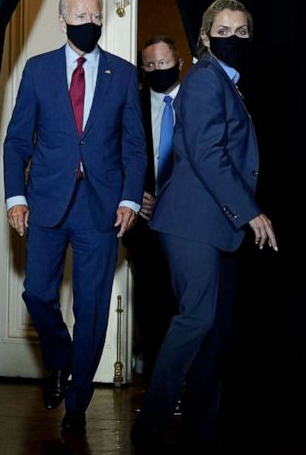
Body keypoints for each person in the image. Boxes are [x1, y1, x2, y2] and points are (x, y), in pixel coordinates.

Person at [131, 0, 277, 448]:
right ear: (205, 37)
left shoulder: (226, 84)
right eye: (223, 31)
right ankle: (152, 418)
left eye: (242, 32)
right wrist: (251, 211)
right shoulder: (204, 81)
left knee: (217, 330)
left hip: (218, 226)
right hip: (192, 221)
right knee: (197, 320)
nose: (233, 39)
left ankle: (202, 427)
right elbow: (207, 153)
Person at [3, 0, 147, 434]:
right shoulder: (38, 69)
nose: (89, 20)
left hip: (100, 207)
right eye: (80, 14)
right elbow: (16, 141)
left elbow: (135, 148)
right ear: (62, 21)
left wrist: (128, 199)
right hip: (46, 202)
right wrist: (15, 197)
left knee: (92, 308)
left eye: (95, 14)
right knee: (37, 294)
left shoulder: (122, 74)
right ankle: (61, 359)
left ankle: (78, 405)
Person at [122, 35, 185, 380]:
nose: (158, 70)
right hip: (145, 224)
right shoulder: (134, 103)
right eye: (151, 65)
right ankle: (158, 380)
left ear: (179, 64)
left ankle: (185, 378)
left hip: (187, 223)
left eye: (164, 63)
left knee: (183, 303)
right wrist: (134, 194)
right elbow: (118, 155)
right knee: (150, 303)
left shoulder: (195, 103)